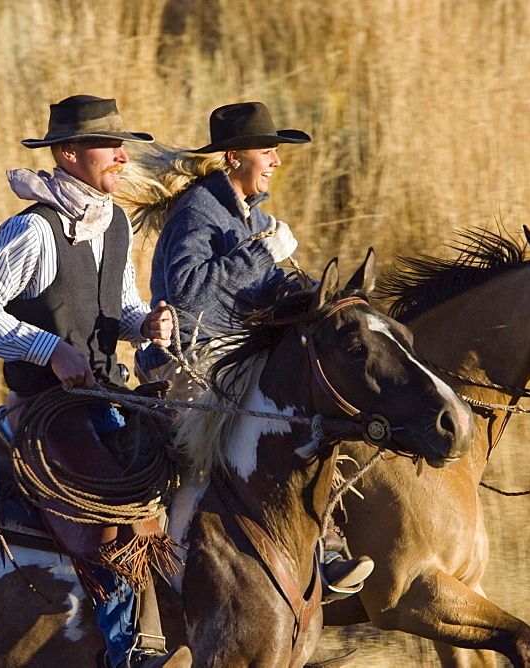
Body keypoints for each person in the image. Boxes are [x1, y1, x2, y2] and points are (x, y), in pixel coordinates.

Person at [0, 95, 189, 668]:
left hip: (109, 395)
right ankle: (126, 651)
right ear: (68, 154)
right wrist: (47, 348)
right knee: (103, 518)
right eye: (108, 146)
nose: (120, 156)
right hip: (47, 407)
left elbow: (122, 305)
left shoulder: (114, 223)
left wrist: (145, 324)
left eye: (121, 145)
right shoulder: (33, 230)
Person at [127, 101, 373, 602]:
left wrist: (314, 297)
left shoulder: (247, 213)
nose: (277, 162)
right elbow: (190, 293)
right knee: (203, 460)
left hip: (234, 357)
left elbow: (264, 287)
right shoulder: (198, 209)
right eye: (268, 151)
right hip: (192, 364)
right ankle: (172, 567)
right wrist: (262, 252)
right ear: (235, 157)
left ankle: (318, 547)